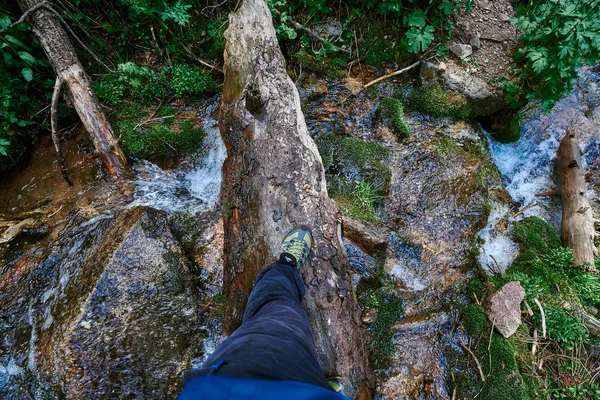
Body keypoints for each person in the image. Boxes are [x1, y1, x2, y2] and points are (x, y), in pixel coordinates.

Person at [178, 227, 349, 399]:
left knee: (272, 305)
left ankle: (285, 267)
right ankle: (318, 387)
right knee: (281, 316)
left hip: (228, 384)